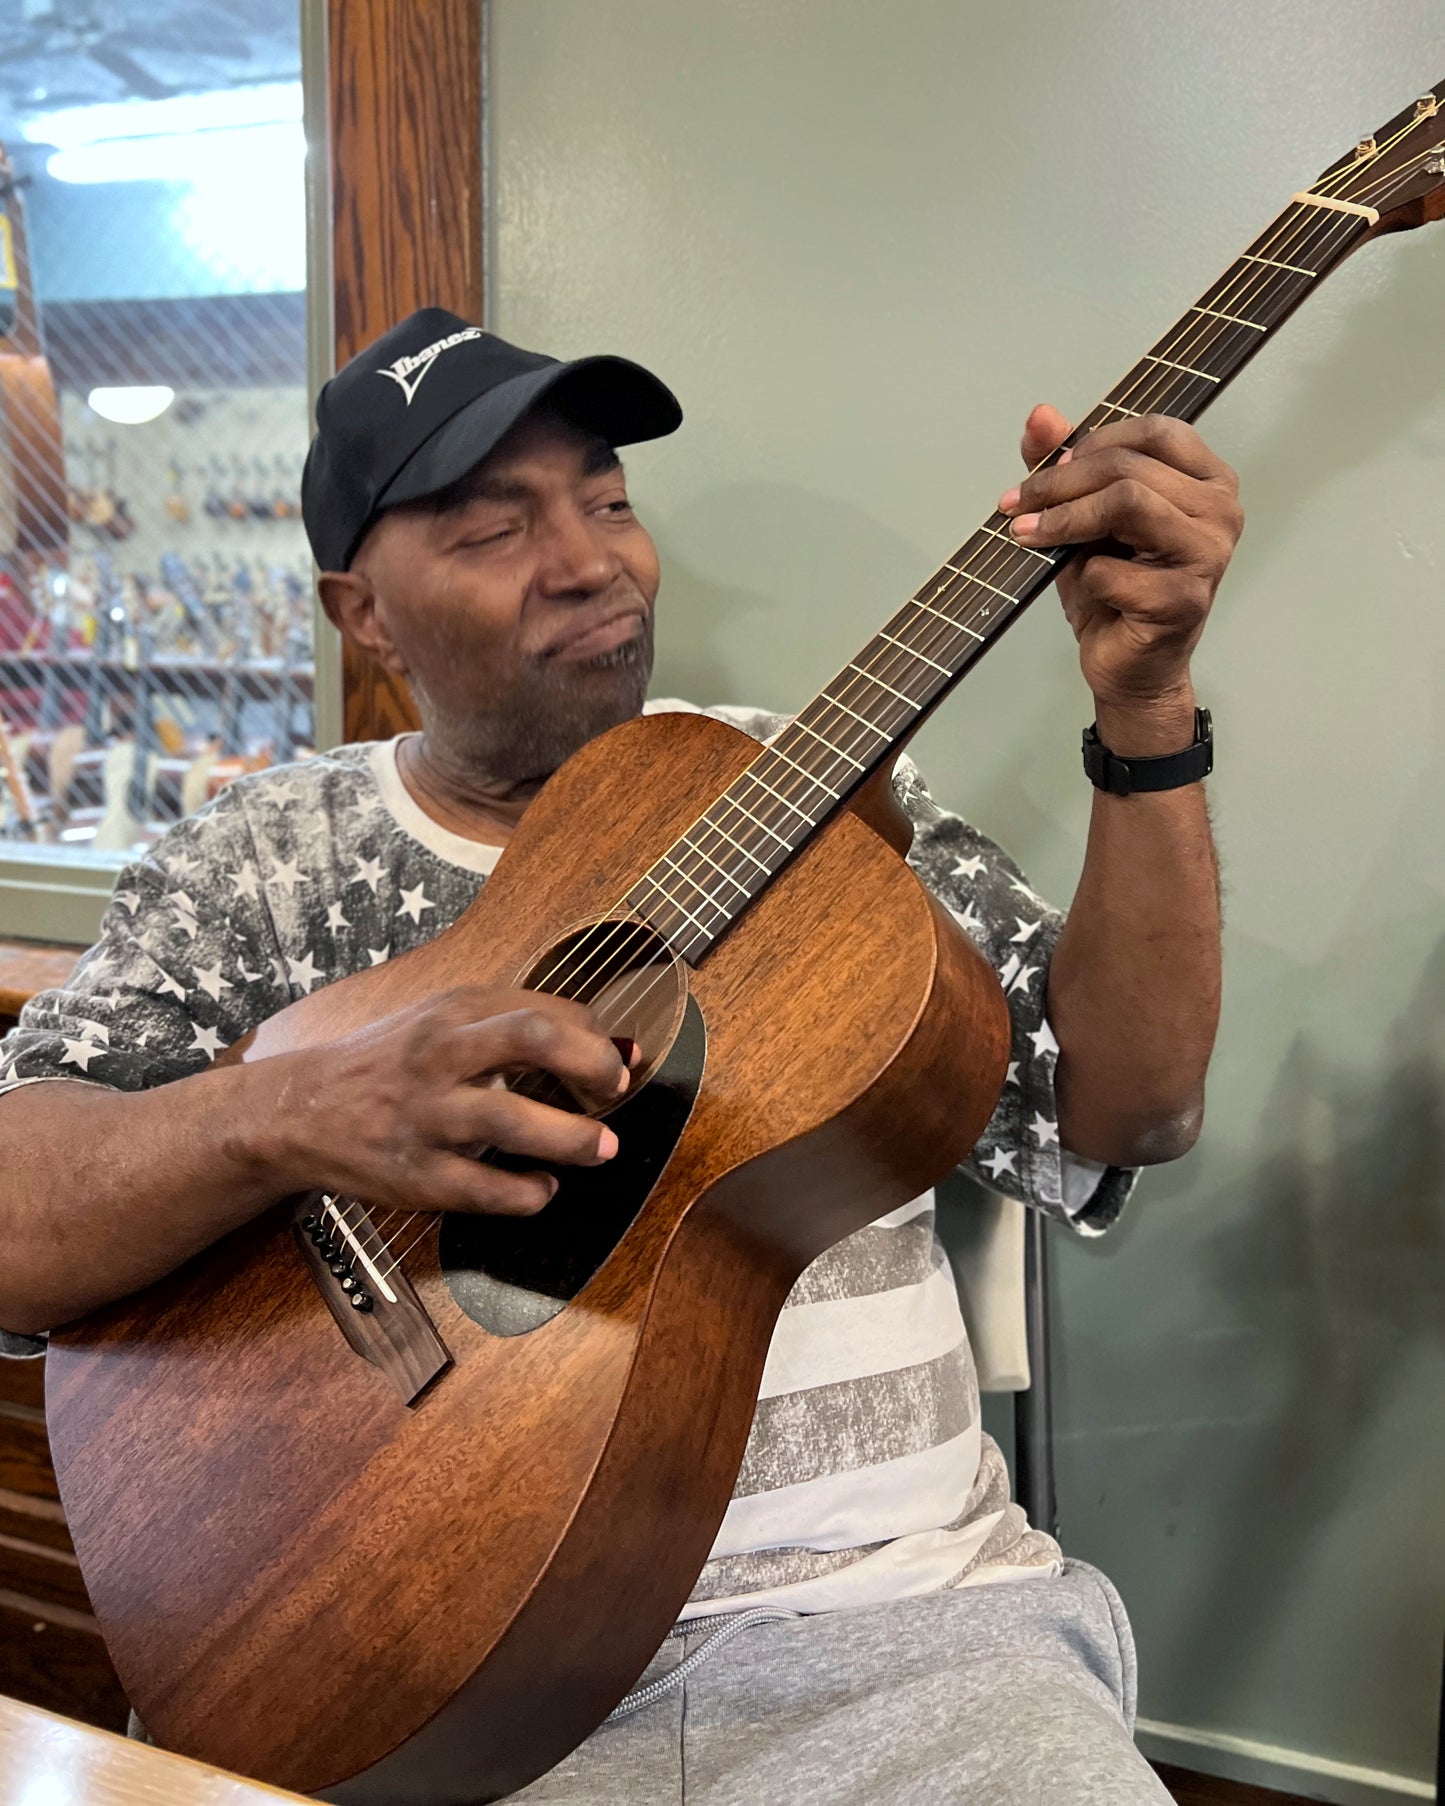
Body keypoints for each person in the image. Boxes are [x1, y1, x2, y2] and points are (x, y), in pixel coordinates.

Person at [0, 309, 1236, 1803]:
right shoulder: (257, 862)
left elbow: (1127, 1105)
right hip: (413, 1658)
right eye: (489, 526)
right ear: (363, 613)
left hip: (904, 1636)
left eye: (605, 497)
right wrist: (282, 1111)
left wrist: (1145, 707)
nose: (588, 559)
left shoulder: (822, 792)